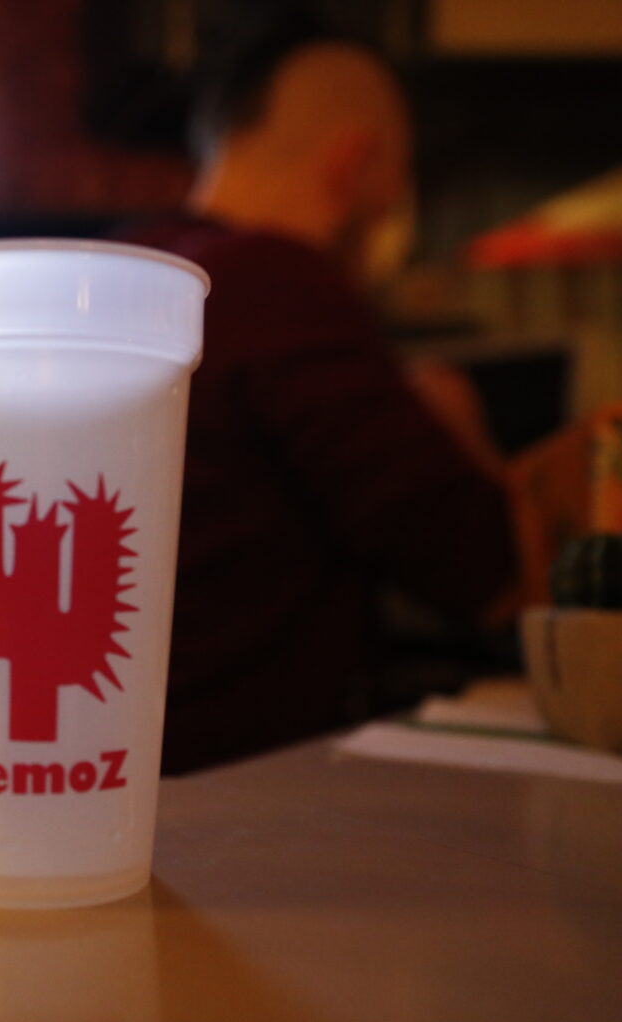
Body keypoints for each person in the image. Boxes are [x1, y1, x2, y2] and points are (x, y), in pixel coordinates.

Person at [124, 28, 520, 774]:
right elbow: (486, 575)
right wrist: (458, 428)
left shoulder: (133, 264)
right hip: (245, 788)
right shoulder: (278, 284)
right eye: (399, 182)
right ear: (354, 164)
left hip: (115, 768)